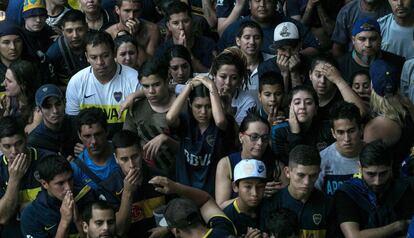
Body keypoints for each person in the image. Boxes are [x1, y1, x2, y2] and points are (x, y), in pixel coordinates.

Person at [166, 75, 237, 195]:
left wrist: (212, 86)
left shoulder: (223, 124)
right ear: (190, 104)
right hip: (185, 193)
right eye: (198, 106)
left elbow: (220, 121)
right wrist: (189, 86)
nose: (203, 112)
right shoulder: (185, 122)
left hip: (212, 194)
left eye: (208, 106)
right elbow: (170, 117)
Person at [65, 30, 139, 139]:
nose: (100, 62)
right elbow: (73, 123)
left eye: (105, 55)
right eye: (94, 57)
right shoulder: (76, 82)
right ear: (87, 57)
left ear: (114, 53)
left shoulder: (133, 78)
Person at [333, 140, 414, 237]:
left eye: (383, 173)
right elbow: (354, 236)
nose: (377, 181)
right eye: (371, 174)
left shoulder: (403, 187)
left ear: (391, 166)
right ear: (360, 167)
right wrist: (398, 226)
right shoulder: (348, 192)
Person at [215, 113, 285, 208]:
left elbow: (289, 197)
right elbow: (221, 206)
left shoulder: (276, 165)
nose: (260, 143)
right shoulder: (226, 164)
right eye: (254, 137)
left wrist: (280, 192)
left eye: (265, 138)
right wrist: (257, 193)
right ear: (241, 137)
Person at [107, 130, 167, 237]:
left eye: (135, 156)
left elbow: (178, 211)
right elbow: (119, 231)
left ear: (142, 153)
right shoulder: (109, 187)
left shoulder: (160, 177)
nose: (131, 165)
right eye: (124, 159)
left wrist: (168, 228)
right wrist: (127, 193)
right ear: (116, 159)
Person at [123, 59, 178, 177]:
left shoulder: (182, 106)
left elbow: (193, 149)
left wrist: (166, 140)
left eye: (156, 85)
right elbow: (127, 143)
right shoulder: (136, 108)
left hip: (181, 174)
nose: (151, 91)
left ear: (167, 81)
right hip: (147, 176)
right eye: (146, 86)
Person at [261, 145, 330, 238]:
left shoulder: (328, 205)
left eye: (313, 175)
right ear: (287, 172)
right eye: (301, 175)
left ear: (319, 173)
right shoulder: (271, 204)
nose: (307, 182)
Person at [0, 117, 51, 237]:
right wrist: (14, 180)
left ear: (26, 138)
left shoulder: (47, 160)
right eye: (7, 146)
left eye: (19, 143)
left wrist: (28, 207)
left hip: (45, 230)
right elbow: (2, 218)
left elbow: (59, 201)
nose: (14, 151)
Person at [21, 155, 90, 238]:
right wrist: (64, 222)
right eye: (60, 183)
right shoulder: (32, 214)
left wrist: (78, 220)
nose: (68, 188)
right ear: (44, 184)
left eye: (70, 179)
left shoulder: (86, 196)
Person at [218, 0, 320, 56]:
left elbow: (314, 48)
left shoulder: (290, 25)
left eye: (268, 1)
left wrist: (292, 55)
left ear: (276, 4)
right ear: (249, 4)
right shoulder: (235, 28)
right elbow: (220, 55)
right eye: (257, 0)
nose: (262, 5)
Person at [364, 59, 414, 173]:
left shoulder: (376, 126)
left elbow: (367, 165)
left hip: (390, 183)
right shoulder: (409, 107)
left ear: (371, 84)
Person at [149, 176, 237, 237]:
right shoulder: (224, 227)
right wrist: (176, 187)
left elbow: (205, 200)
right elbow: (205, 200)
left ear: (177, 231)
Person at [271, 85, 334, 164]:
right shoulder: (279, 130)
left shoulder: (327, 128)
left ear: (316, 109)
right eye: (297, 103)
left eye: (308, 103)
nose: (302, 107)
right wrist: (295, 134)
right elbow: (287, 166)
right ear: (290, 107)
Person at [315, 102, 363, 196]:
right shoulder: (322, 160)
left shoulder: (373, 155)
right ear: (333, 133)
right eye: (340, 132)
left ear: (361, 129)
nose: (347, 139)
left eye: (351, 131)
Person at [337, 17, 405, 84]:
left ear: (380, 40)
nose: (368, 44)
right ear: (353, 40)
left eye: (373, 39)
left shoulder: (396, 63)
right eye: (362, 39)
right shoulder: (340, 65)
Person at [154, 1, 216, 73]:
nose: (181, 27)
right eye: (175, 23)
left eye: (186, 21)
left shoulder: (208, 44)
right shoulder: (162, 50)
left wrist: (187, 53)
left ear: (192, 22)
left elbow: (210, 74)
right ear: (168, 26)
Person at [71, 108, 119, 193]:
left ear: (107, 131)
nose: (94, 141)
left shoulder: (123, 153)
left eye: (98, 134)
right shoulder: (76, 168)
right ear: (79, 136)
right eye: (87, 136)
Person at [258, 22, 312, 93]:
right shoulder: (265, 68)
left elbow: (303, 100)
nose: (288, 54)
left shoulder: (311, 64)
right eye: (283, 49)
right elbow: (277, 103)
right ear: (276, 49)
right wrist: (284, 74)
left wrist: (294, 73)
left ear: (300, 45)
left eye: (292, 48)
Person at [309, 55, 368, 121]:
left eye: (328, 76)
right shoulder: (305, 92)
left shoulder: (342, 96)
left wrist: (338, 80)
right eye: (318, 75)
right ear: (310, 75)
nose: (322, 81)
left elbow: (361, 113)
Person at [27, 84, 77, 158]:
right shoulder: (35, 141)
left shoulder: (78, 124)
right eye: (47, 106)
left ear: (65, 103)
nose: (55, 110)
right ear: (39, 110)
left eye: (58, 104)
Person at [210, 48, 256, 125]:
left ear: (240, 80)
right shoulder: (205, 91)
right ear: (214, 76)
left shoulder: (247, 101)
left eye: (234, 78)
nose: (228, 82)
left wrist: (228, 109)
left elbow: (239, 133)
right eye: (223, 77)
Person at [223, 159, 267, 236]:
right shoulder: (226, 218)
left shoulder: (270, 206)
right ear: (235, 187)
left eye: (260, 187)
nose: (255, 193)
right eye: (248, 187)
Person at [46, 9, 90, 87]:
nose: (75, 35)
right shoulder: (54, 53)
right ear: (62, 31)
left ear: (86, 27)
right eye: (69, 31)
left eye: (79, 29)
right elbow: (51, 85)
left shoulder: (97, 43)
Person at [0, 60, 41, 133]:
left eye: (9, 81)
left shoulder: (38, 109)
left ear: (23, 85)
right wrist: (4, 112)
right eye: (5, 78)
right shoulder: (8, 99)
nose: (4, 84)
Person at [236, 20, 272, 93]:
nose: (252, 42)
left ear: (262, 41)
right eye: (247, 37)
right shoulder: (228, 62)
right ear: (238, 41)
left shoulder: (272, 61)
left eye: (256, 38)